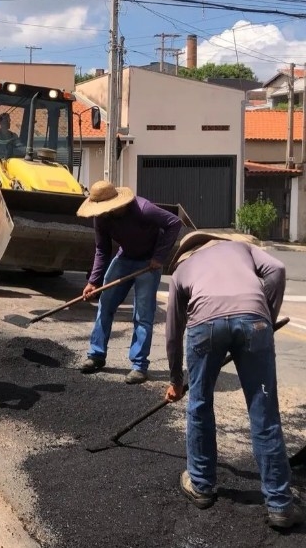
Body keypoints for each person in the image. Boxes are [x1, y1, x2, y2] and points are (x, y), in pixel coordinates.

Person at [163, 231, 304, 529]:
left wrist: (176, 379)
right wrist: (265, 316)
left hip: (205, 325)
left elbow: (173, 331)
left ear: (189, 250)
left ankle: (201, 485)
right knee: (264, 410)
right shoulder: (241, 249)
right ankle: (279, 504)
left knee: (200, 403)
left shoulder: (183, 269)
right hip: (254, 320)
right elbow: (277, 270)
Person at [76, 181, 182, 384]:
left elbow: (174, 223)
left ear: (118, 203)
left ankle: (139, 366)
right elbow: (102, 250)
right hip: (124, 259)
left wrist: (159, 257)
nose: (103, 212)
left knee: (143, 314)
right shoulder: (102, 218)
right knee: (105, 305)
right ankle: (96, 355)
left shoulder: (144, 209)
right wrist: (94, 281)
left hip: (148, 264)